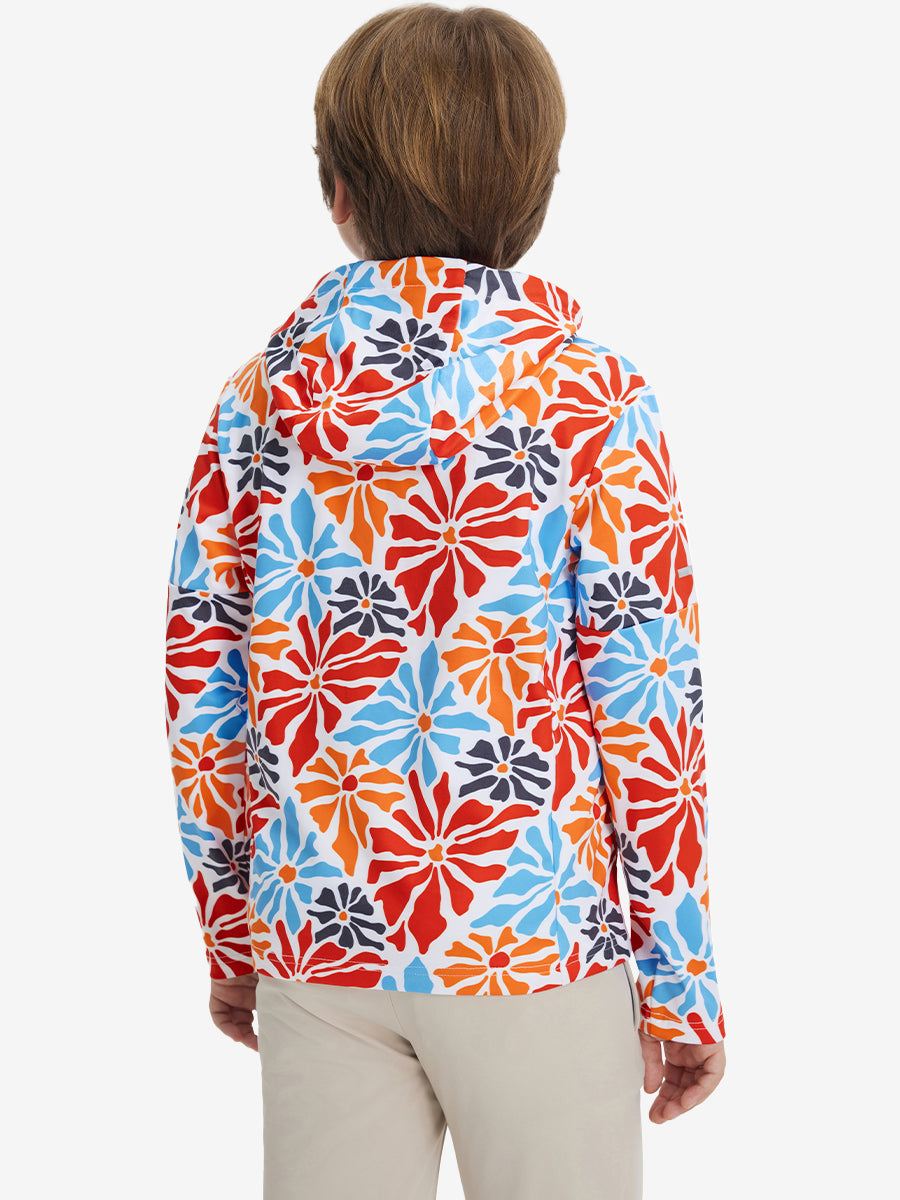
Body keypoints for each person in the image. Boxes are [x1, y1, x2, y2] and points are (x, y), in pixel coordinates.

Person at [164, 5, 726, 1197]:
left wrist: (234, 930)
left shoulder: (259, 401)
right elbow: (649, 705)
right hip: (533, 935)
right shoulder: (591, 399)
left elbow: (202, 680)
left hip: (317, 930)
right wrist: (679, 977)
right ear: (534, 198)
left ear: (336, 192)